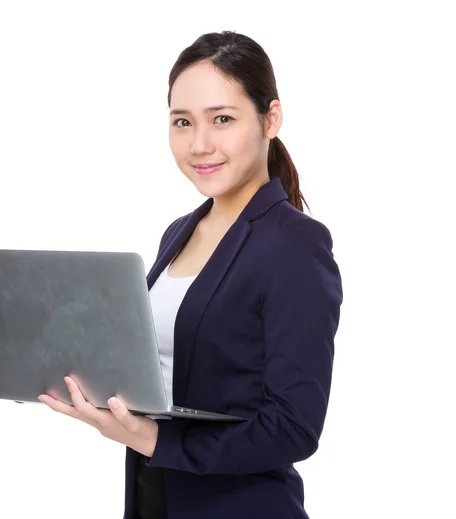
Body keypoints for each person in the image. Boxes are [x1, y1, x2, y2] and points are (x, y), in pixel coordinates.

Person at [39, 30, 343, 519]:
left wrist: (156, 440)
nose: (199, 144)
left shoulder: (294, 244)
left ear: (271, 119)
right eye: (182, 122)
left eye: (222, 119)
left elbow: (294, 427)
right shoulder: (179, 232)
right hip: (153, 498)